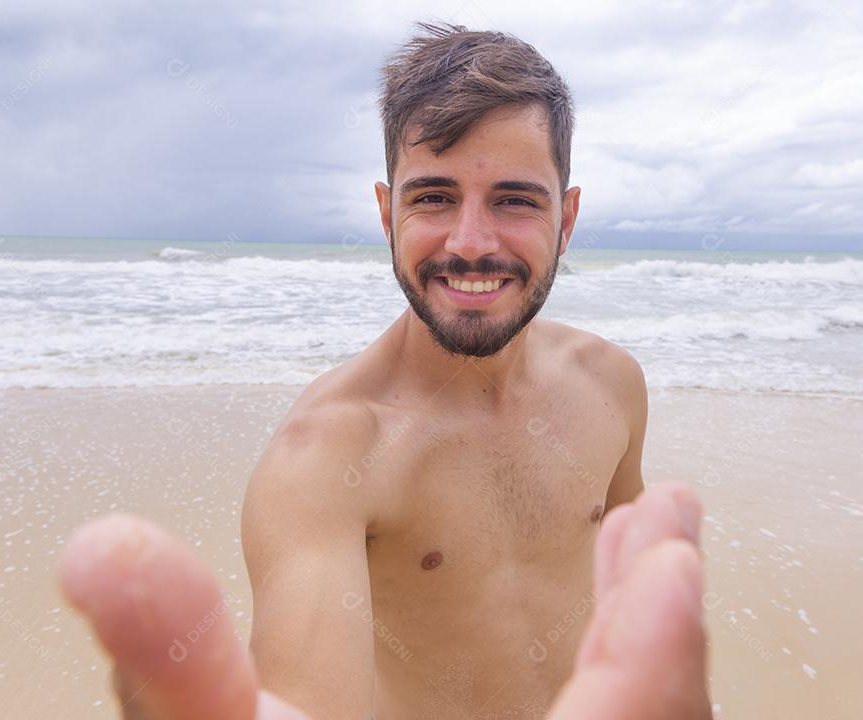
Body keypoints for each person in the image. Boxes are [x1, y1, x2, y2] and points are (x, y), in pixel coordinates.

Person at [58, 22, 712, 720]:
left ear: (568, 216)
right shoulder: (328, 458)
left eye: (515, 200)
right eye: (433, 197)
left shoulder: (610, 385)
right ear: (385, 210)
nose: (470, 243)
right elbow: (310, 700)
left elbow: (641, 604)